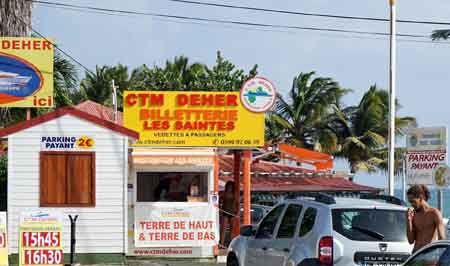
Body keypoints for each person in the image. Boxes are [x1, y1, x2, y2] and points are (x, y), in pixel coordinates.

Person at [406, 184, 446, 253]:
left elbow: (442, 238)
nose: (411, 204)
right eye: (410, 202)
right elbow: (411, 241)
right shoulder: (414, 214)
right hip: (416, 254)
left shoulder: (434, 213)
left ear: (421, 198)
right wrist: (409, 220)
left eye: (413, 201)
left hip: (430, 255)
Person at [219, 181, 237, 247]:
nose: (230, 188)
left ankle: (230, 244)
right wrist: (220, 208)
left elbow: (236, 203)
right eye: (229, 186)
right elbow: (218, 200)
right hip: (225, 212)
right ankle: (221, 244)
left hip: (232, 213)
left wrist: (236, 212)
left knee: (232, 230)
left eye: (231, 186)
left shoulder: (234, 194)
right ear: (226, 187)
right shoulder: (223, 193)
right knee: (223, 229)